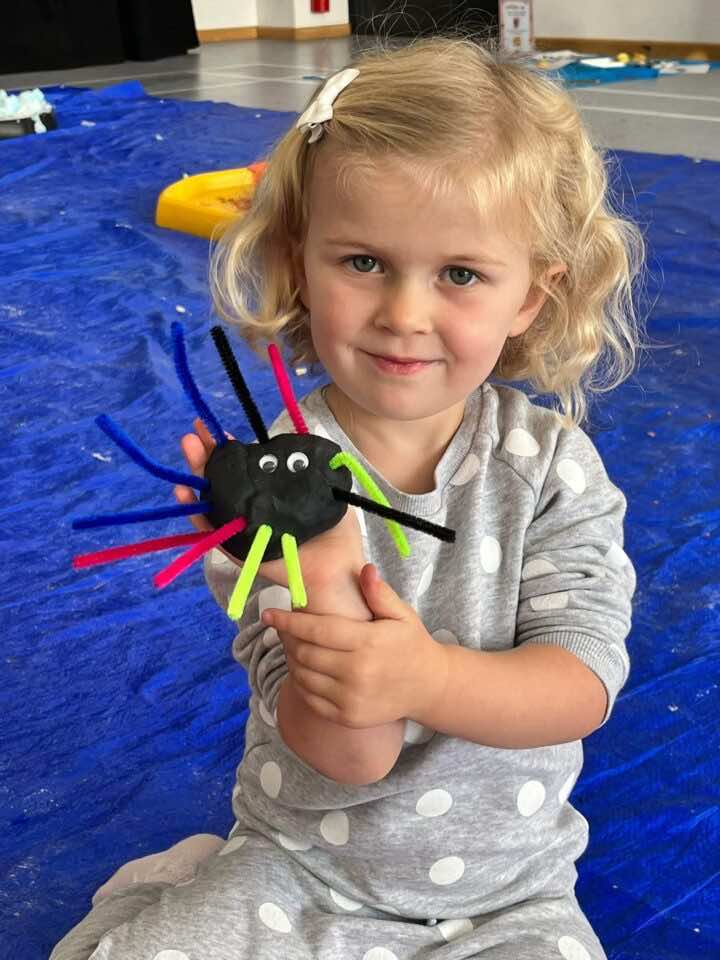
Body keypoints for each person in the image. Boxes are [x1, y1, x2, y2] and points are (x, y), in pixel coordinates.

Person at [51, 35, 646, 960]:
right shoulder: (272, 483)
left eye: (460, 274)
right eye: (363, 261)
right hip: (298, 866)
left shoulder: (551, 469)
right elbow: (348, 756)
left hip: (505, 901)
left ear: (532, 294)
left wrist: (428, 678)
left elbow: (581, 684)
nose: (405, 314)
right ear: (298, 261)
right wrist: (325, 579)